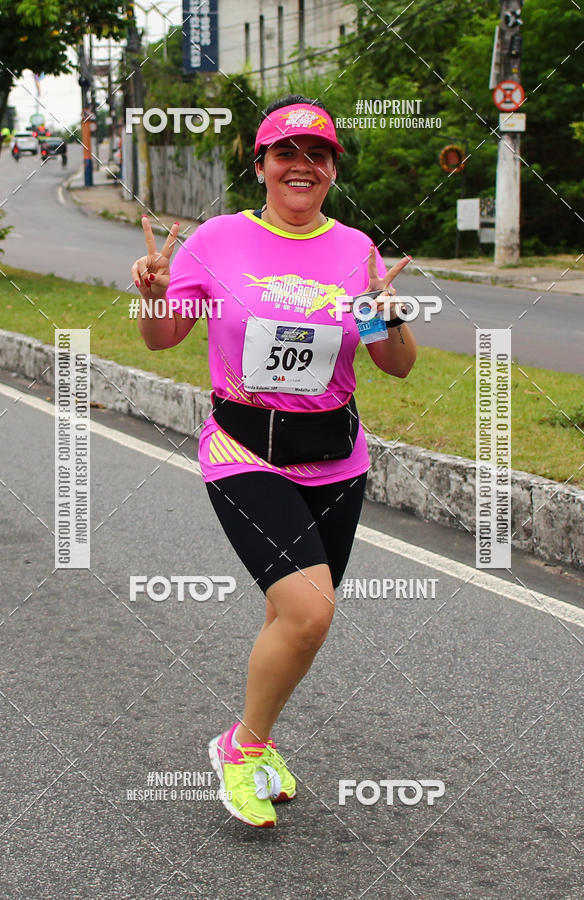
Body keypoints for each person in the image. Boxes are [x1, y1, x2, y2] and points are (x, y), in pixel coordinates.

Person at [132, 95, 417, 828]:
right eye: (286, 153)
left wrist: (389, 314)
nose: (302, 166)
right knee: (309, 610)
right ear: (260, 164)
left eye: (317, 155)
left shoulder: (356, 250)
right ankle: (243, 747)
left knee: (292, 616)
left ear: (330, 171)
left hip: (338, 457)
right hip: (243, 452)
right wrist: (155, 295)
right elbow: (161, 341)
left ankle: (256, 742)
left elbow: (397, 366)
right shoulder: (217, 241)